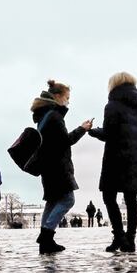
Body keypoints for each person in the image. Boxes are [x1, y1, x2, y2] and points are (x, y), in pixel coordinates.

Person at [30, 79, 93, 254]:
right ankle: (46, 236)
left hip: (47, 166)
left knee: (52, 201)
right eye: (67, 97)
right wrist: (82, 129)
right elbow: (65, 141)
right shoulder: (55, 117)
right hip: (57, 166)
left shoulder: (44, 116)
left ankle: (46, 241)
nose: (68, 101)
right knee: (67, 200)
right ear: (57, 96)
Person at [88, 72, 137, 253]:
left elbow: (108, 133)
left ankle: (119, 237)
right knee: (131, 199)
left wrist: (92, 131)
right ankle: (130, 240)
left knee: (108, 196)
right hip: (136, 156)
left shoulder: (112, 105)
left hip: (116, 157)